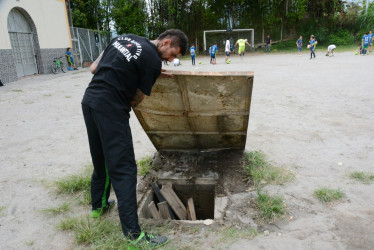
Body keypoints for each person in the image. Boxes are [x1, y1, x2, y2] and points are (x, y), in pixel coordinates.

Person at [81, 29, 188, 247]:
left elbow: (93, 68)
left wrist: (145, 72)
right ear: (166, 42)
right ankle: (134, 236)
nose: (172, 59)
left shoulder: (123, 38)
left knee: (101, 158)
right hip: (111, 109)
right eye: (173, 54)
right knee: (125, 170)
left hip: (90, 101)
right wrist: (150, 75)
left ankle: (98, 206)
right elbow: (135, 100)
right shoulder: (153, 61)